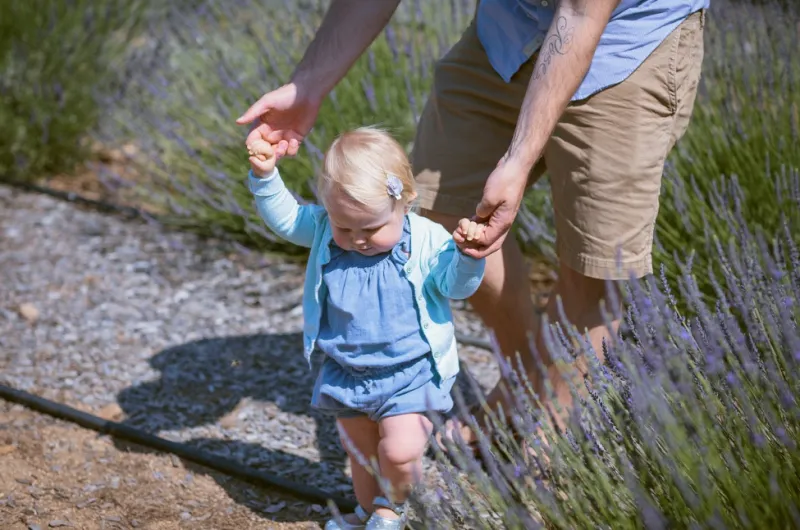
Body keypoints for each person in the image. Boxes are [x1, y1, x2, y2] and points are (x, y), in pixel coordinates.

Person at [237, 0, 708, 457]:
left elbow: (583, 12)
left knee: (596, 263)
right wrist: (307, 86)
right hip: (509, 33)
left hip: (625, 48)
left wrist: (518, 160)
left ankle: (548, 443)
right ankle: (525, 379)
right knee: (444, 214)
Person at [245, 126, 486, 529]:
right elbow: (287, 221)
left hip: (410, 372)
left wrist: (469, 258)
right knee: (360, 455)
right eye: (345, 227)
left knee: (401, 450)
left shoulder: (427, 241)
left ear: (405, 202)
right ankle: (366, 511)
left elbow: (455, 286)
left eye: (370, 229)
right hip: (348, 370)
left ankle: (393, 510)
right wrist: (266, 177)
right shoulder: (325, 230)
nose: (357, 239)